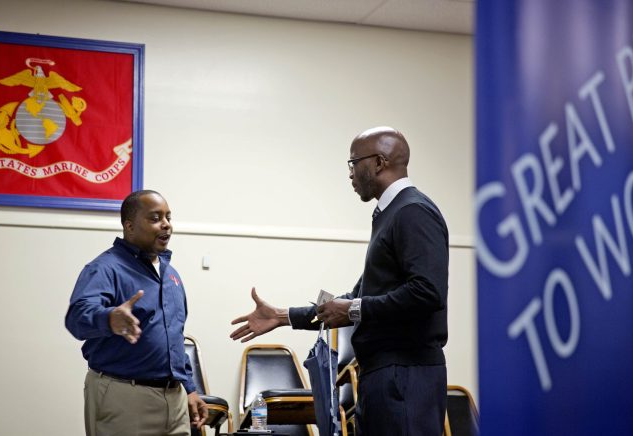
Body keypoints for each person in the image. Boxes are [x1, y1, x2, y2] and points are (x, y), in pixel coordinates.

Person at [230, 127, 449, 436]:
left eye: (353, 162)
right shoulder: (389, 214)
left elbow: (427, 293)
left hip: (406, 376)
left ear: (378, 163)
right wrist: (283, 316)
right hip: (381, 376)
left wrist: (355, 308)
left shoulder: (413, 212)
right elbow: (356, 298)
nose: (350, 174)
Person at [65, 190, 208, 436]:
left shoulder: (170, 275)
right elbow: (77, 318)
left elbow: (173, 337)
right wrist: (109, 319)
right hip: (124, 397)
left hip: (175, 402)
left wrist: (190, 388)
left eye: (168, 217)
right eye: (155, 218)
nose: (166, 225)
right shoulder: (105, 269)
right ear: (129, 226)